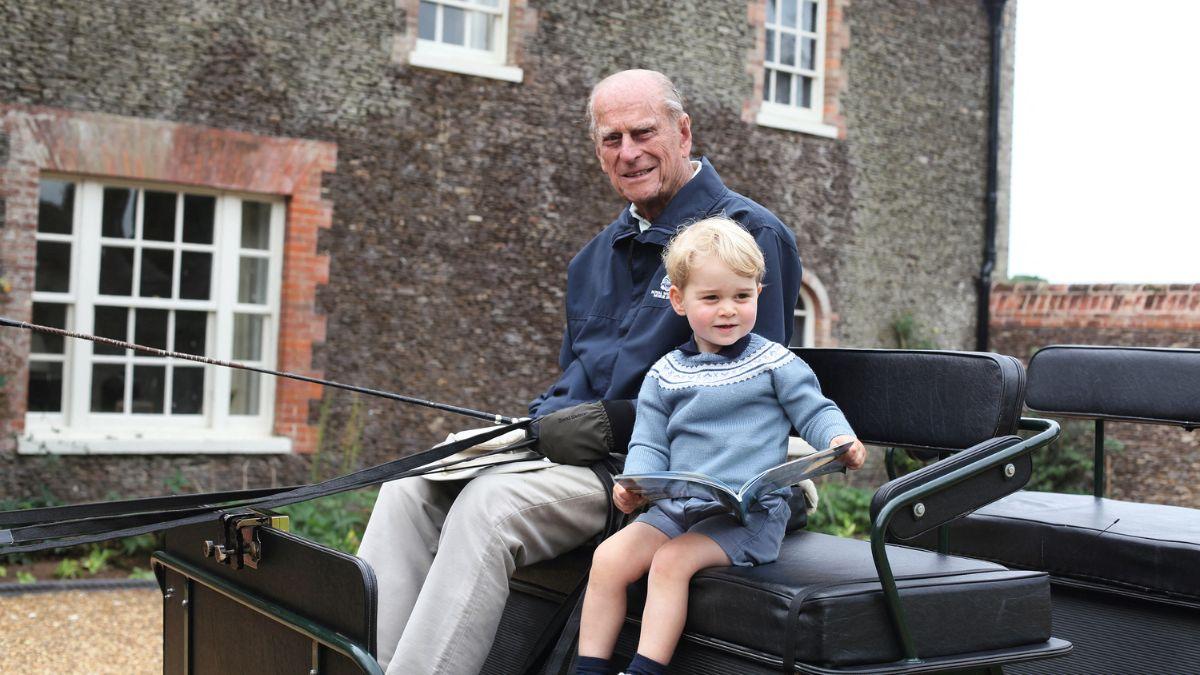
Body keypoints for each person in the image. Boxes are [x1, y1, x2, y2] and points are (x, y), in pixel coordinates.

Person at [357, 69, 803, 674]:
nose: (629, 153)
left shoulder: (749, 235)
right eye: (611, 139)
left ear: (683, 131)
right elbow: (575, 382)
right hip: (573, 457)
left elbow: (751, 395)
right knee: (413, 485)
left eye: (643, 133)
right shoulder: (592, 259)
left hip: (656, 478)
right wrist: (536, 425)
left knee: (490, 507)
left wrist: (609, 424)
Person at [575, 218, 866, 675]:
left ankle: (644, 670)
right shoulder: (665, 373)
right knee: (608, 557)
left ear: (758, 294)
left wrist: (839, 438)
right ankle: (589, 668)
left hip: (748, 515)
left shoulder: (774, 363)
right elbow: (649, 443)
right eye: (711, 298)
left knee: (671, 562)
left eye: (741, 296)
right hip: (677, 509)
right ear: (679, 300)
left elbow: (814, 410)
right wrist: (633, 486)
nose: (728, 310)